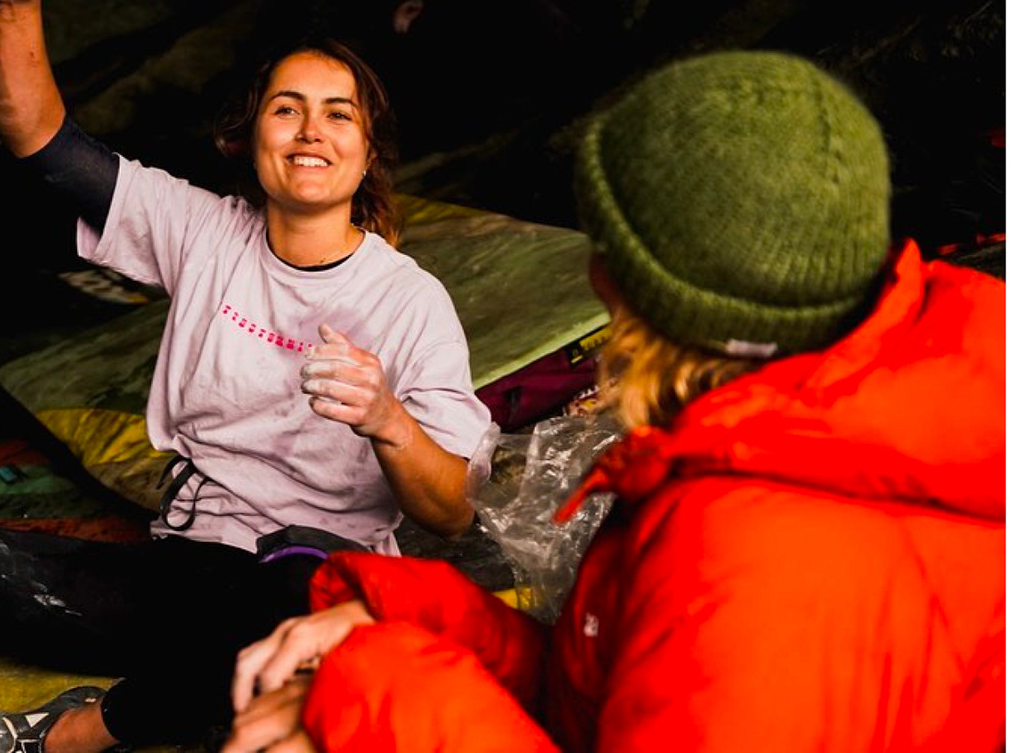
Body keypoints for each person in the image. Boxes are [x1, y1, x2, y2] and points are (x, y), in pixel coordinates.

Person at [0, 0, 495, 753]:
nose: (311, 130)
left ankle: (79, 732)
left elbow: (451, 512)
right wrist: (14, 4)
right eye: (286, 108)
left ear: (368, 153)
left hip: (302, 592)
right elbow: (45, 143)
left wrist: (387, 418)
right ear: (249, 138)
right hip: (177, 576)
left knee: (304, 594)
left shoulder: (409, 301)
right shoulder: (203, 230)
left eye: (339, 115)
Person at [223, 50, 1006, 752]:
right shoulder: (809, 429)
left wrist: (375, 693)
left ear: (648, 295)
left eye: (604, 250)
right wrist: (405, 616)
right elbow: (610, 696)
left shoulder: (756, 561)